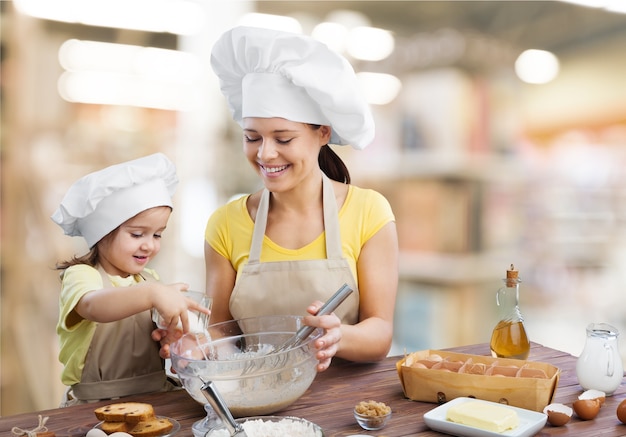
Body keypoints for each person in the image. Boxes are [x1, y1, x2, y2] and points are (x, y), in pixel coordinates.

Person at [192, 26, 398, 372]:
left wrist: (339, 337)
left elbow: (380, 332)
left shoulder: (368, 212)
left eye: (283, 139)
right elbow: (221, 331)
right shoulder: (225, 223)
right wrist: (207, 354)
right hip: (254, 400)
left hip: (341, 405)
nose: (266, 154)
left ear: (323, 133)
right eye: (252, 137)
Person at [51, 153, 209, 406]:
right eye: (137, 234)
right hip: (97, 406)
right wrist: (153, 294)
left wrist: (174, 340)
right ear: (102, 234)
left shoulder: (148, 280)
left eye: (157, 235)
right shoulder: (82, 276)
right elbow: (93, 306)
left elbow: (159, 335)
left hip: (156, 398)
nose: (149, 245)